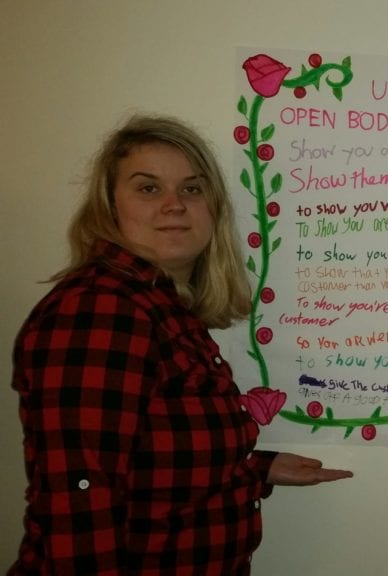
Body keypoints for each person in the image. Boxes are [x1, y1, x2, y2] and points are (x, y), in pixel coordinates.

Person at [9, 115, 353, 575]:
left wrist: (253, 469)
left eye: (191, 189)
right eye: (148, 188)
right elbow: (83, 494)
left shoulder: (158, 309)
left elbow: (153, 464)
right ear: (109, 207)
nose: (174, 205)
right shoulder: (100, 310)